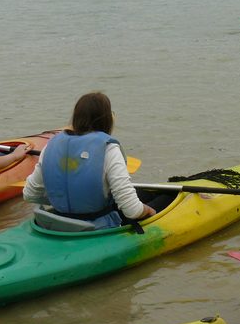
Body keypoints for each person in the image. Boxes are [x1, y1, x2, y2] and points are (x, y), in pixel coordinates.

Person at [23, 92, 155, 229]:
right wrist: (149, 211)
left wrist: (59, 199)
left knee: (144, 194)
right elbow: (132, 211)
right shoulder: (108, 149)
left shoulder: (50, 146)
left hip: (58, 222)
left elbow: (29, 194)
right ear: (107, 119)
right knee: (163, 199)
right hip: (94, 228)